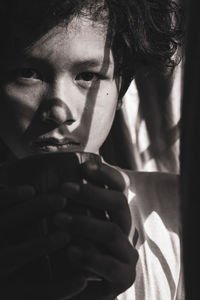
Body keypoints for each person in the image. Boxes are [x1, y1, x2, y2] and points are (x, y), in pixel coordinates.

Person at [0, 0, 184, 299]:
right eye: (28, 73)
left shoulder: (175, 214)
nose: (59, 111)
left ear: (120, 88)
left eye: (88, 76)